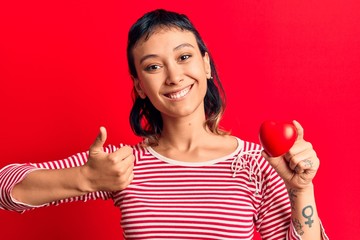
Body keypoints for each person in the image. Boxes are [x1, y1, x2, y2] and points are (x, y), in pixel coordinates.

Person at [0, 9, 328, 240]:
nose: (173, 76)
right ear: (140, 86)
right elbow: (6, 186)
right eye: (154, 66)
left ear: (206, 64)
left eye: (184, 57)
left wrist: (301, 190)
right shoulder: (122, 164)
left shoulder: (257, 162)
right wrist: (86, 177)